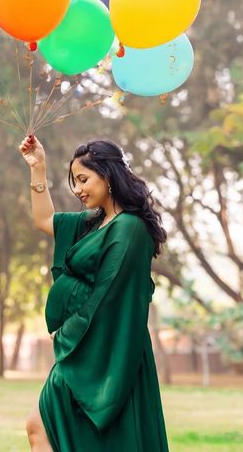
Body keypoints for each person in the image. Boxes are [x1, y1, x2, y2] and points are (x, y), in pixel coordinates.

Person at [19, 135, 170, 452]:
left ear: (109, 176)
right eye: (75, 182)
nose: (78, 190)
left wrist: (65, 334)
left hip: (105, 351)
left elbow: (110, 297)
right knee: (41, 429)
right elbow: (44, 219)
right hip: (86, 348)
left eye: (84, 179)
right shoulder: (95, 222)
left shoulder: (128, 228)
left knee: (40, 427)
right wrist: (38, 168)